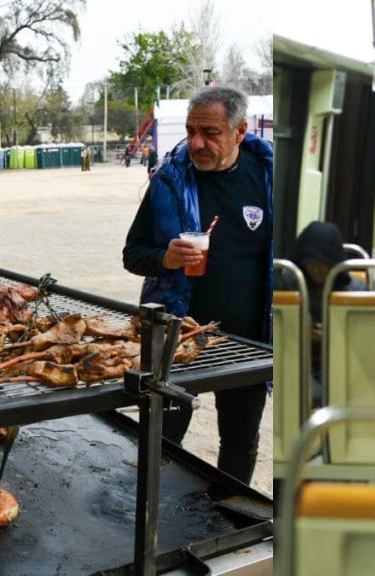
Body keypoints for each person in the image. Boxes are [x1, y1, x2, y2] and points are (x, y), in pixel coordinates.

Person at [123, 86, 273, 485]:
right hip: (178, 342)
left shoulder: (270, 179)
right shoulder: (169, 182)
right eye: (190, 131)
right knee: (161, 440)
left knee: (240, 442)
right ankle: (155, 526)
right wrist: (164, 260)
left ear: (240, 131)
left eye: (210, 133)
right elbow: (132, 253)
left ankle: (229, 518)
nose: (196, 143)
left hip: (248, 342)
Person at [275, 221, 367, 405]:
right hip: (298, 364)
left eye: (323, 264)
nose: (316, 269)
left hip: (342, 364)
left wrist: (332, 336)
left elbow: (367, 340)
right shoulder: (290, 285)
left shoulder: (355, 292)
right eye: (311, 263)